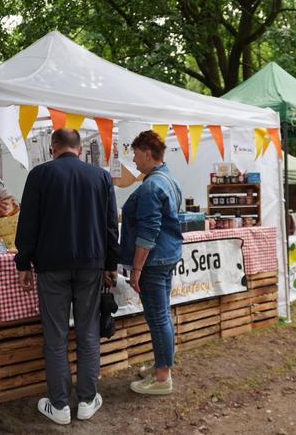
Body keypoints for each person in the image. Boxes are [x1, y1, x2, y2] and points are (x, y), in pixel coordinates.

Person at [14, 128, 119, 425]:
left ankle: (59, 405)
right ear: (80, 149)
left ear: (53, 148)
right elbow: (111, 225)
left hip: (51, 266)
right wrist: (112, 262)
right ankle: (87, 400)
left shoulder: (39, 175)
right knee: (87, 332)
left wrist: (23, 263)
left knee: (56, 335)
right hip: (92, 265)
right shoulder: (100, 177)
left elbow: (28, 224)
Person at [120, 130, 183, 395]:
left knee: (157, 318)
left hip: (154, 262)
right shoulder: (168, 179)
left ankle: (162, 378)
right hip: (166, 256)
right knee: (162, 316)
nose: (133, 161)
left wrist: (136, 269)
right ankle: (162, 364)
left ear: (147, 153)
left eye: (135, 154)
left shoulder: (151, 186)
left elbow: (148, 233)